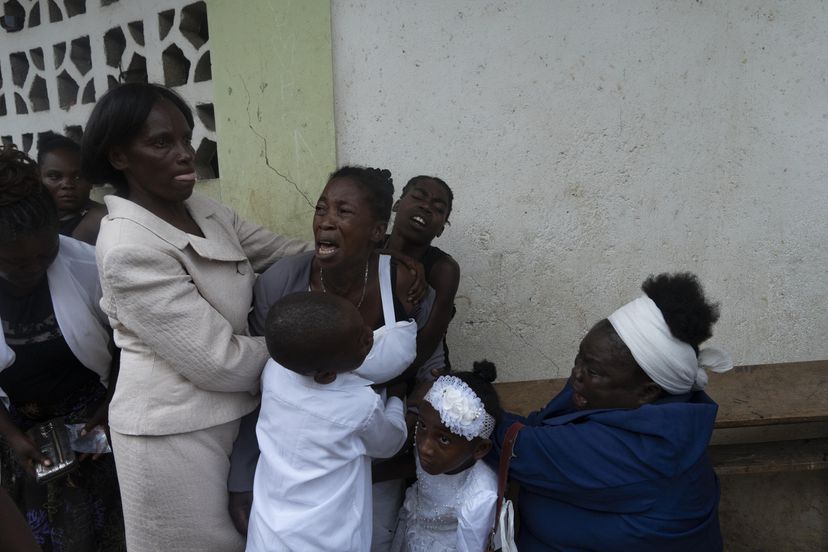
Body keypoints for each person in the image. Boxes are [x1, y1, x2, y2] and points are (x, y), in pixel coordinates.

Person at [81, 82, 309, 552]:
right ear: (119, 157)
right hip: (171, 438)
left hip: (236, 420)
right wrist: (313, 344)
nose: (185, 154)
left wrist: (378, 257)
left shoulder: (204, 211)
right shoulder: (128, 247)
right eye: (161, 143)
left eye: (185, 138)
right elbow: (219, 361)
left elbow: (289, 254)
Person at [228, 166, 421, 549]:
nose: (326, 222)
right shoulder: (281, 284)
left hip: (281, 522)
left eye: (343, 212)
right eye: (321, 209)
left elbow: (430, 363)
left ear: (377, 230)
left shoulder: (403, 282)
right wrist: (398, 399)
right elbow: (389, 439)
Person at [487, 273, 733, 551]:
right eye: (579, 357)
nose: (576, 374)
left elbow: (513, 443)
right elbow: (543, 425)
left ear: (646, 391)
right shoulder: (655, 406)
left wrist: (456, 398)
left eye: (592, 371)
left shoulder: (640, 449)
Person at [0, 144, 124, 550]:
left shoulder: (88, 266)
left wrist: (110, 405)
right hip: (22, 440)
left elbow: (128, 343)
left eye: (45, 252)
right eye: (17, 262)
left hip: (95, 429)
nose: (34, 267)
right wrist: (14, 439)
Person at [246, 292, 408, 551]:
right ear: (325, 374)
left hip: (269, 533)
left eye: (362, 324)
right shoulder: (357, 406)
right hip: (328, 539)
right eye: (362, 341)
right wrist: (397, 402)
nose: (370, 334)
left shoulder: (275, 372)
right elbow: (390, 443)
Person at [390, 361, 500, 552]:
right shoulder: (433, 454)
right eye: (422, 426)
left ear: (480, 448)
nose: (424, 447)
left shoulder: (479, 495)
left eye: (444, 439)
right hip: (413, 534)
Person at [385, 175, 459, 378]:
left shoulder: (443, 269)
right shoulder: (370, 247)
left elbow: (426, 346)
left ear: (441, 229)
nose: (426, 207)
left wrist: (383, 381)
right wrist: (398, 256)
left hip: (417, 372)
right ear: (397, 205)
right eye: (418, 197)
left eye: (438, 208)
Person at [37, 131, 106, 245]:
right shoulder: (31, 218)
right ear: (38, 177)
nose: (67, 185)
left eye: (78, 177)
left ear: (90, 180)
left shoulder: (102, 220)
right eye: (54, 177)